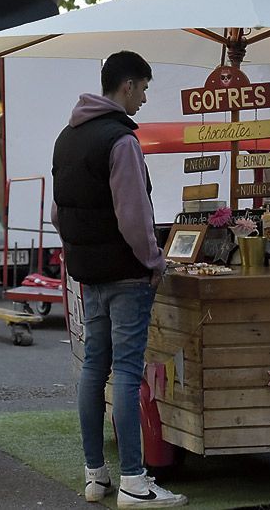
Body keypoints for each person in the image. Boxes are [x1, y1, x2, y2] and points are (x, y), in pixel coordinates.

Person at [51, 50, 186, 508]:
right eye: (144, 88)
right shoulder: (121, 141)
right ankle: (134, 481)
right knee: (127, 374)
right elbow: (134, 215)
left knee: (95, 369)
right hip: (128, 275)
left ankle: (96, 476)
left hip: (88, 274)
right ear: (127, 85)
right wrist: (154, 261)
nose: (146, 98)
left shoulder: (66, 138)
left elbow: (58, 211)